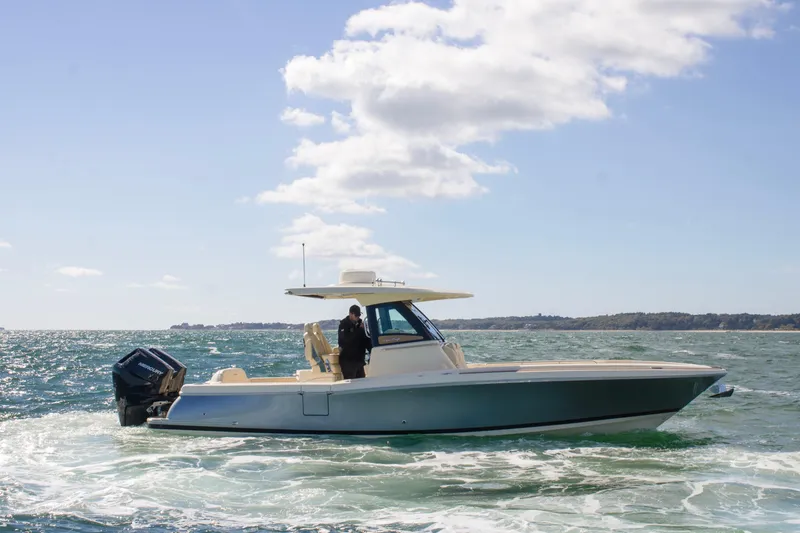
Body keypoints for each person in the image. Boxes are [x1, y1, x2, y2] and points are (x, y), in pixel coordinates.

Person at [337, 304, 371, 379]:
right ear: (350, 314)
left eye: (359, 315)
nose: (358, 317)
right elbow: (345, 340)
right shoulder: (344, 325)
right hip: (348, 361)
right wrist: (359, 330)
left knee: (362, 381)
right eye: (356, 315)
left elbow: (365, 339)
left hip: (359, 361)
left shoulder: (360, 325)